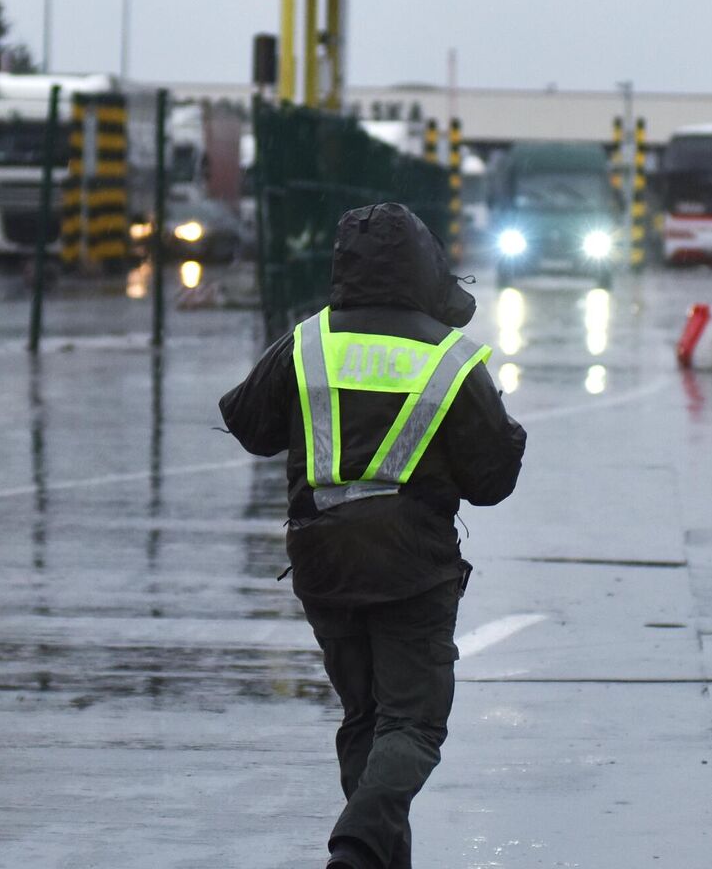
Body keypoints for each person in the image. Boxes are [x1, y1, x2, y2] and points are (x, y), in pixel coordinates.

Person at [219, 202, 527, 869]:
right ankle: (357, 846)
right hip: (412, 566)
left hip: (322, 561)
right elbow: (493, 480)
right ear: (425, 269)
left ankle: (374, 861)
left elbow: (247, 423)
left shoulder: (308, 342)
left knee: (365, 717)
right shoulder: (448, 358)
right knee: (412, 722)